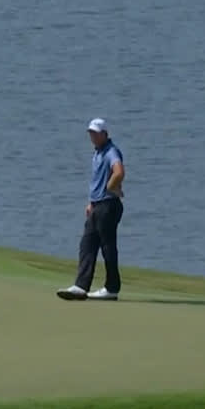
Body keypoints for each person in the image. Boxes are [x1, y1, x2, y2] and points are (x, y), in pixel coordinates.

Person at [58, 117, 126, 301]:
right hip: (97, 205)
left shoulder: (111, 151)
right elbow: (97, 180)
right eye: (91, 133)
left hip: (109, 205)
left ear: (105, 134)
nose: (93, 137)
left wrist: (111, 187)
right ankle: (81, 286)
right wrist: (91, 202)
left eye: (96, 133)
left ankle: (112, 288)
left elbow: (119, 171)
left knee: (107, 247)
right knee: (87, 245)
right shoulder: (98, 153)